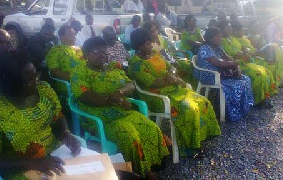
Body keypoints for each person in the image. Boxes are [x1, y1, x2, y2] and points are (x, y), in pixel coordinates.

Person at [70, 37, 169, 180]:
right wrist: (114, 100)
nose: (102, 54)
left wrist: (119, 93)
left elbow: (131, 85)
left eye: (104, 50)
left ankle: (153, 164)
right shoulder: (79, 72)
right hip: (100, 117)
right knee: (130, 137)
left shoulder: (112, 67)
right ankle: (143, 173)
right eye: (97, 51)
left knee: (151, 128)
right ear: (85, 55)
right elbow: (84, 96)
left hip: (123, 110)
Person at [129, 28, 221, 157]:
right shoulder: (135, 63)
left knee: (203, 101)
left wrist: (172, 74)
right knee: (189, 109)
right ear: (139, 46)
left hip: (174, 89)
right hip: (157, 96)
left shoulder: (155, 54)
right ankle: (188, 148)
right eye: (148, 44)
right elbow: (151, 82)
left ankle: (201, 136)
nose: (151, 45)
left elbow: (171, 66)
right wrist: (172, 80)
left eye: (151, 43)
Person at [0, 51, 81, 179]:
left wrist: (66, 134)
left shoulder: (44, 89)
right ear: (8, 85)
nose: (36, 82)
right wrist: (32, 163)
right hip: (20, 167)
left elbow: (57, 116)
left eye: (35, 75)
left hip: (56, 153)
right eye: (28, 81)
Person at [195, 27, 254, 121]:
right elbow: (219, 63)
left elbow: (228, 59)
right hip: (209, 76)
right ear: (211, 38)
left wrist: (236, 67)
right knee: (238, 84)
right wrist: (235, 63)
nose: (220, 38)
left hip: (221, 75)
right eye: (218, 36)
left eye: (221, 36)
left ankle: (243, 109)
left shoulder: (218, 48)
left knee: (246, 79)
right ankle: (231, 113)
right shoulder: (204, 49)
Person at [218, 21, 276, 107]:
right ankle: (257, 100)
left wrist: (246, 51)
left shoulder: (232, 39)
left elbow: (242, 49)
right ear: (222, 30)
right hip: (234, 66)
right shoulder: (222, 42)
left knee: (266, 71)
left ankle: (265, 97)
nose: (231, 29)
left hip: (244, 62)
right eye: (228, 28)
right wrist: (244, 52)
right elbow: (232, 54)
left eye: (231, 27)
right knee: (258, 74)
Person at [46, 25, 85, 96]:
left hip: (87, 79)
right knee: (87, 92)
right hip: (72, 83)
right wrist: (75, 78)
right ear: (62, 38)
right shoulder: (56, 51)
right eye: (70, 34)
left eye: (74, 34)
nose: (74, 37)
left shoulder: (79, 49)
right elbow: (54, 71)